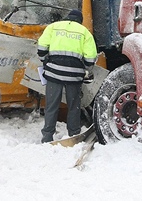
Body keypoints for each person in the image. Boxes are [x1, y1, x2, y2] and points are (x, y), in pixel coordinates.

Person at [37, 9, 97, 143]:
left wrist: (45, 59)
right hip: (73, 76)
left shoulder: (53, 27)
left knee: (51, 106)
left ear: (67, 17)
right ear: (79, 20)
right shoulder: (84, 32)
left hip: (54, 73)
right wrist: (85, 68)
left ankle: (47, 136)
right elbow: (90, 58)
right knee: (74, 106)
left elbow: (41, 48)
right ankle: (74, 134)